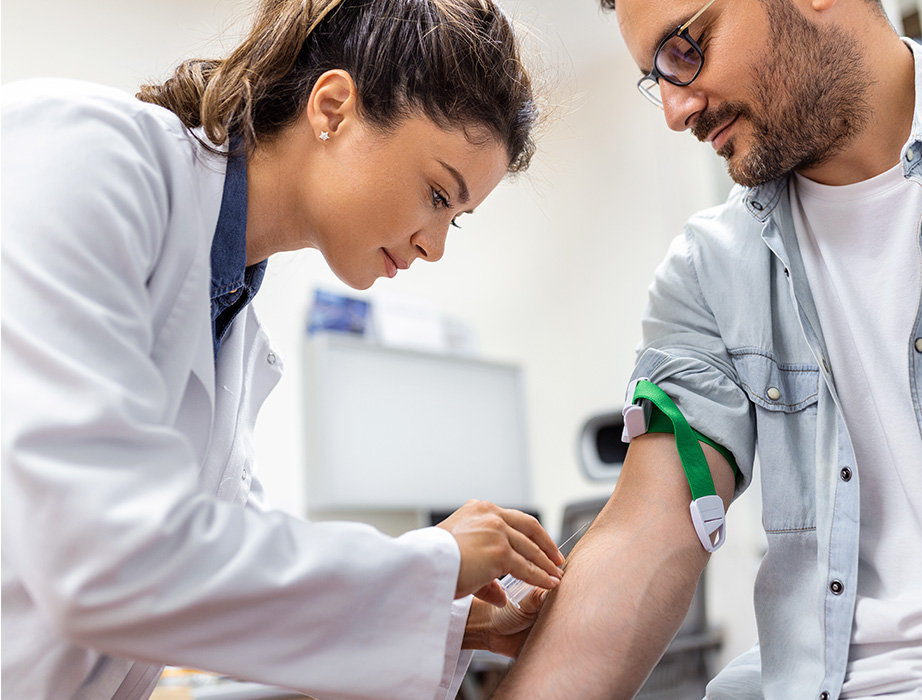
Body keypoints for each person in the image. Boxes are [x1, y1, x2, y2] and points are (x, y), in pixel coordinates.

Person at [489, 0, 922, 698]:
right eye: (655, 76)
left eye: (685, 48)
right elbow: (645, 534)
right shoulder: (706, 275)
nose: (674, 110)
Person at [0, 1, 567, 699]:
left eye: (456, 217)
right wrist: (431, 563)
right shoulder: (83, 154)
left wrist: (450, 618)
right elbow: (104, 561)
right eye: (434, 193)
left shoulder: (231, 324)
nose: (435, 244)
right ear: (332, 107)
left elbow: (215, 586)